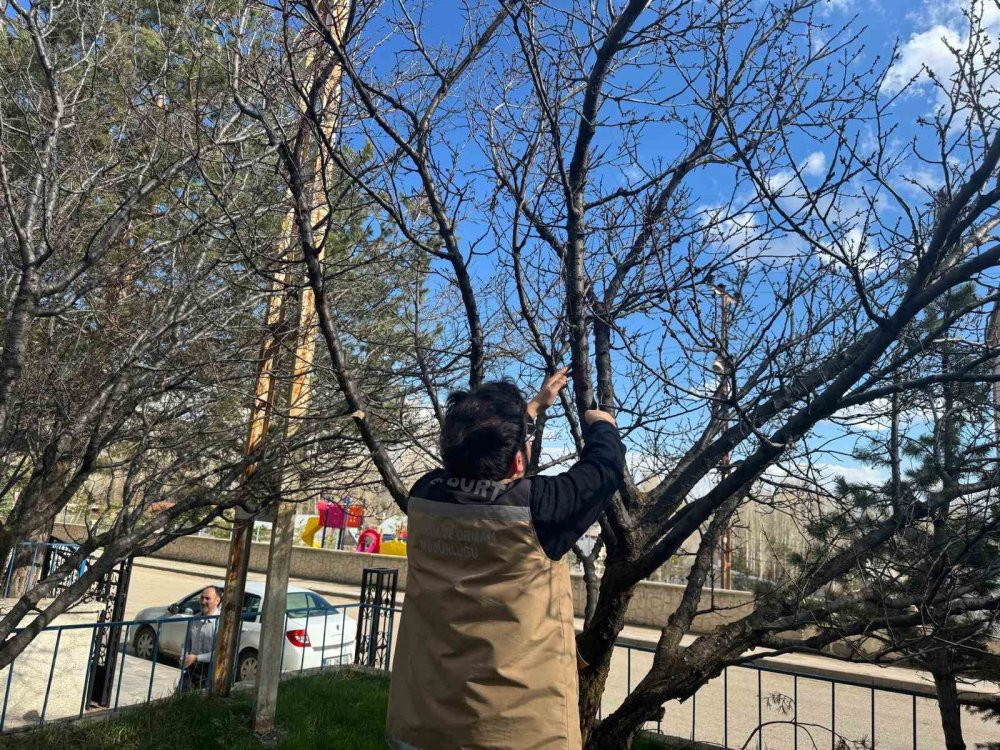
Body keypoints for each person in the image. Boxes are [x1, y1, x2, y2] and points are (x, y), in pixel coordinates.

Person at [385, 368, 626, 749]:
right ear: (517, 462)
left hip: (423, 723)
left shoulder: (425, 495)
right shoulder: (540, 510)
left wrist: (530, 409)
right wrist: (602, 425)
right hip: (517, 733)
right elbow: (604, 468)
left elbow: (475, 463)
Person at [179, 585, 222, 692]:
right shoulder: (195, 619)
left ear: (217, 601)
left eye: (207, 598)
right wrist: (184, 656)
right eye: (202, 598)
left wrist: (197, 658)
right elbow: (187, 643)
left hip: (210, 671)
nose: (203, 602)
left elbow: (219, 653)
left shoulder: (221, 623)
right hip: (192, 669)